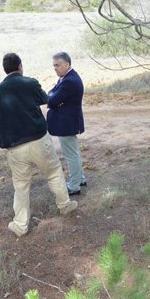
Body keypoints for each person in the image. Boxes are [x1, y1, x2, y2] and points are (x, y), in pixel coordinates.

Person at [0, 53, 78, 237]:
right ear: (20, 66)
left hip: (15, 147)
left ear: (5, 69)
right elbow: (44, 99)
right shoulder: (30, 83)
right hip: (38, 139)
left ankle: (20, 225)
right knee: (53, 172)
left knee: (21, 185)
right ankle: (65, 206)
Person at [47, 52, 86, 196]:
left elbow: (51, 100)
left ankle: (74, 186)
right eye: (54, 66)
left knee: (71, 155)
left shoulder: (69, 81)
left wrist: (53, 97)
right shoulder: (66, 77)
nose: (55, 68)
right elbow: (52, 93)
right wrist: (54, 96)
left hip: (67, 123)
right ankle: (80, 179)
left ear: (67, 64)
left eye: (57, 65)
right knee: (73, 153)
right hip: (68, 121)